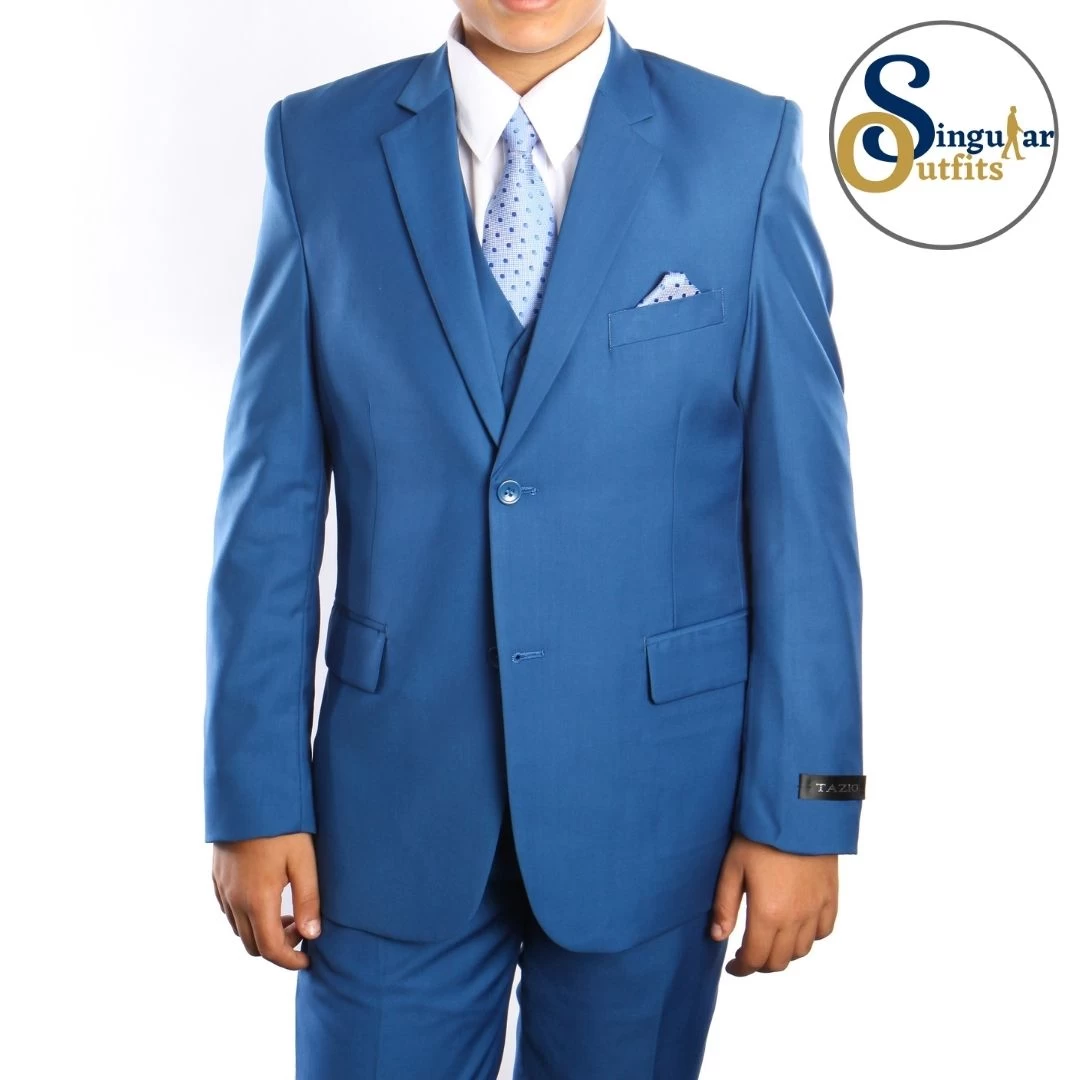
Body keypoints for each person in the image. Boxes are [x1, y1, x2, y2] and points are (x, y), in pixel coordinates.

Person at [204, 1, 866, 1076]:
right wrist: (251, 796)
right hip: (387, 811)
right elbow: (267, 510)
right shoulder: (316, 147)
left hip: (658, 809)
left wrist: (810, 807)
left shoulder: (743, 147)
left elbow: (806, 518)